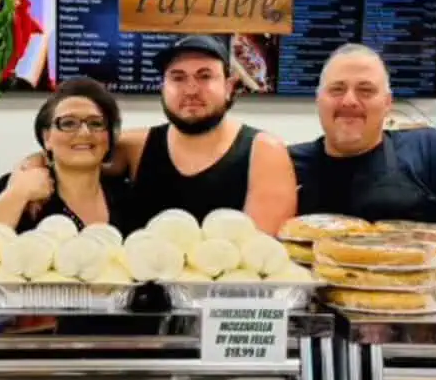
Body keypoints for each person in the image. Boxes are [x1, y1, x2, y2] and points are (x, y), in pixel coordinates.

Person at [289, 44, 436, 289]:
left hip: (422, 310)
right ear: (318, 99)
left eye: (365, 90)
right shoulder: (284, 164)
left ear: (387, 103)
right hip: (316, 312)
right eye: (337, 89)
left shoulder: (431, 150)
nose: (349, 100)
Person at [18, 36, 297, 236]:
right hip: (145, 307)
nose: (190, 89)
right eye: (177, 77)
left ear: (228, 86)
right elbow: (75, 149)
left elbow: (258, 258)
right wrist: (34, 166)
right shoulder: (137, 146)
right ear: (163, 88)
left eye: (204, 76)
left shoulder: (263, 151)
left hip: (220, 309)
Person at [0, 76, 132, 233]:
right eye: (68, 123)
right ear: (47, 138)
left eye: (96, 123)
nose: (84, 132)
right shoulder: (18, 185)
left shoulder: (129, 197)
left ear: (109, 137)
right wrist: (18, 194)